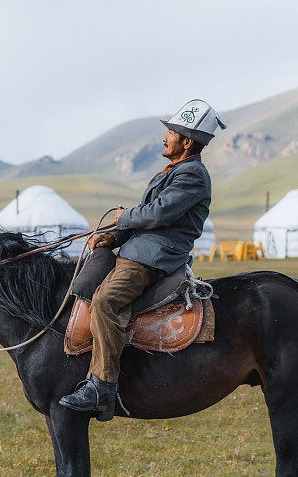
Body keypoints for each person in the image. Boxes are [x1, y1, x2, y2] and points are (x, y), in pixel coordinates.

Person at [59, 99, 226, 420]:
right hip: (136, 250)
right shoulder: (173, 172)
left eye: (171, 133)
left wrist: (122, 218)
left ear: (187, 141)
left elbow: (158, 213)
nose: (165, 138)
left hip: (152, 258)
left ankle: (101, 387)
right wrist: (113, 236)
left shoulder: (192, 175)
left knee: (107, 301)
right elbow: (142, 217)